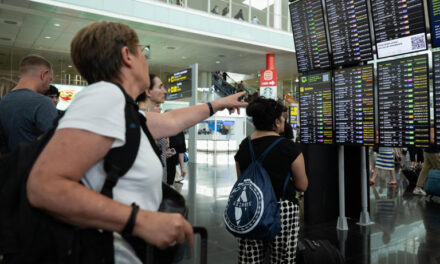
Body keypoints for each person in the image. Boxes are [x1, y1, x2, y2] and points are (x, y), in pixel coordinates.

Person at [27, 21, 247, 263]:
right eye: (143, 51)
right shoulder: (104, 97)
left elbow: (172, 121)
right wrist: (139, 220)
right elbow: (44, 186)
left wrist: (218, 104)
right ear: (127, 56)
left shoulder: (122, 109)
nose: (146, 59)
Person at [234, 97, 308, 263]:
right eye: (283, 118)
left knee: (249, 258)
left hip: (250, 208)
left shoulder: (244, 146)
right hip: (282, 209)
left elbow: (241, 180)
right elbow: (302, 185)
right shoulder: (289, 148)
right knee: (282, 258)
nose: (284, 120)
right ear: (276, 122)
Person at [0, 55, 57, 153]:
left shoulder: (4, 100)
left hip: (7, 165)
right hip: (32, 166)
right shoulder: (42, 102)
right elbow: (56, 143)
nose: (48, 86)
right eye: (50, 79)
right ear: (44, 74)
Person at [136, 73, 168, 183]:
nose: (165, 91)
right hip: (146, 182)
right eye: (160, 87)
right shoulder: (140, 118)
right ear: (148, 92)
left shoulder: (147, 117)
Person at [413, 128, 440, 196]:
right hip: (434, 152)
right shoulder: (433, 126)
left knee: (425, 170)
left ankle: (418, 188)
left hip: (428, 151)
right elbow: (431, 140)